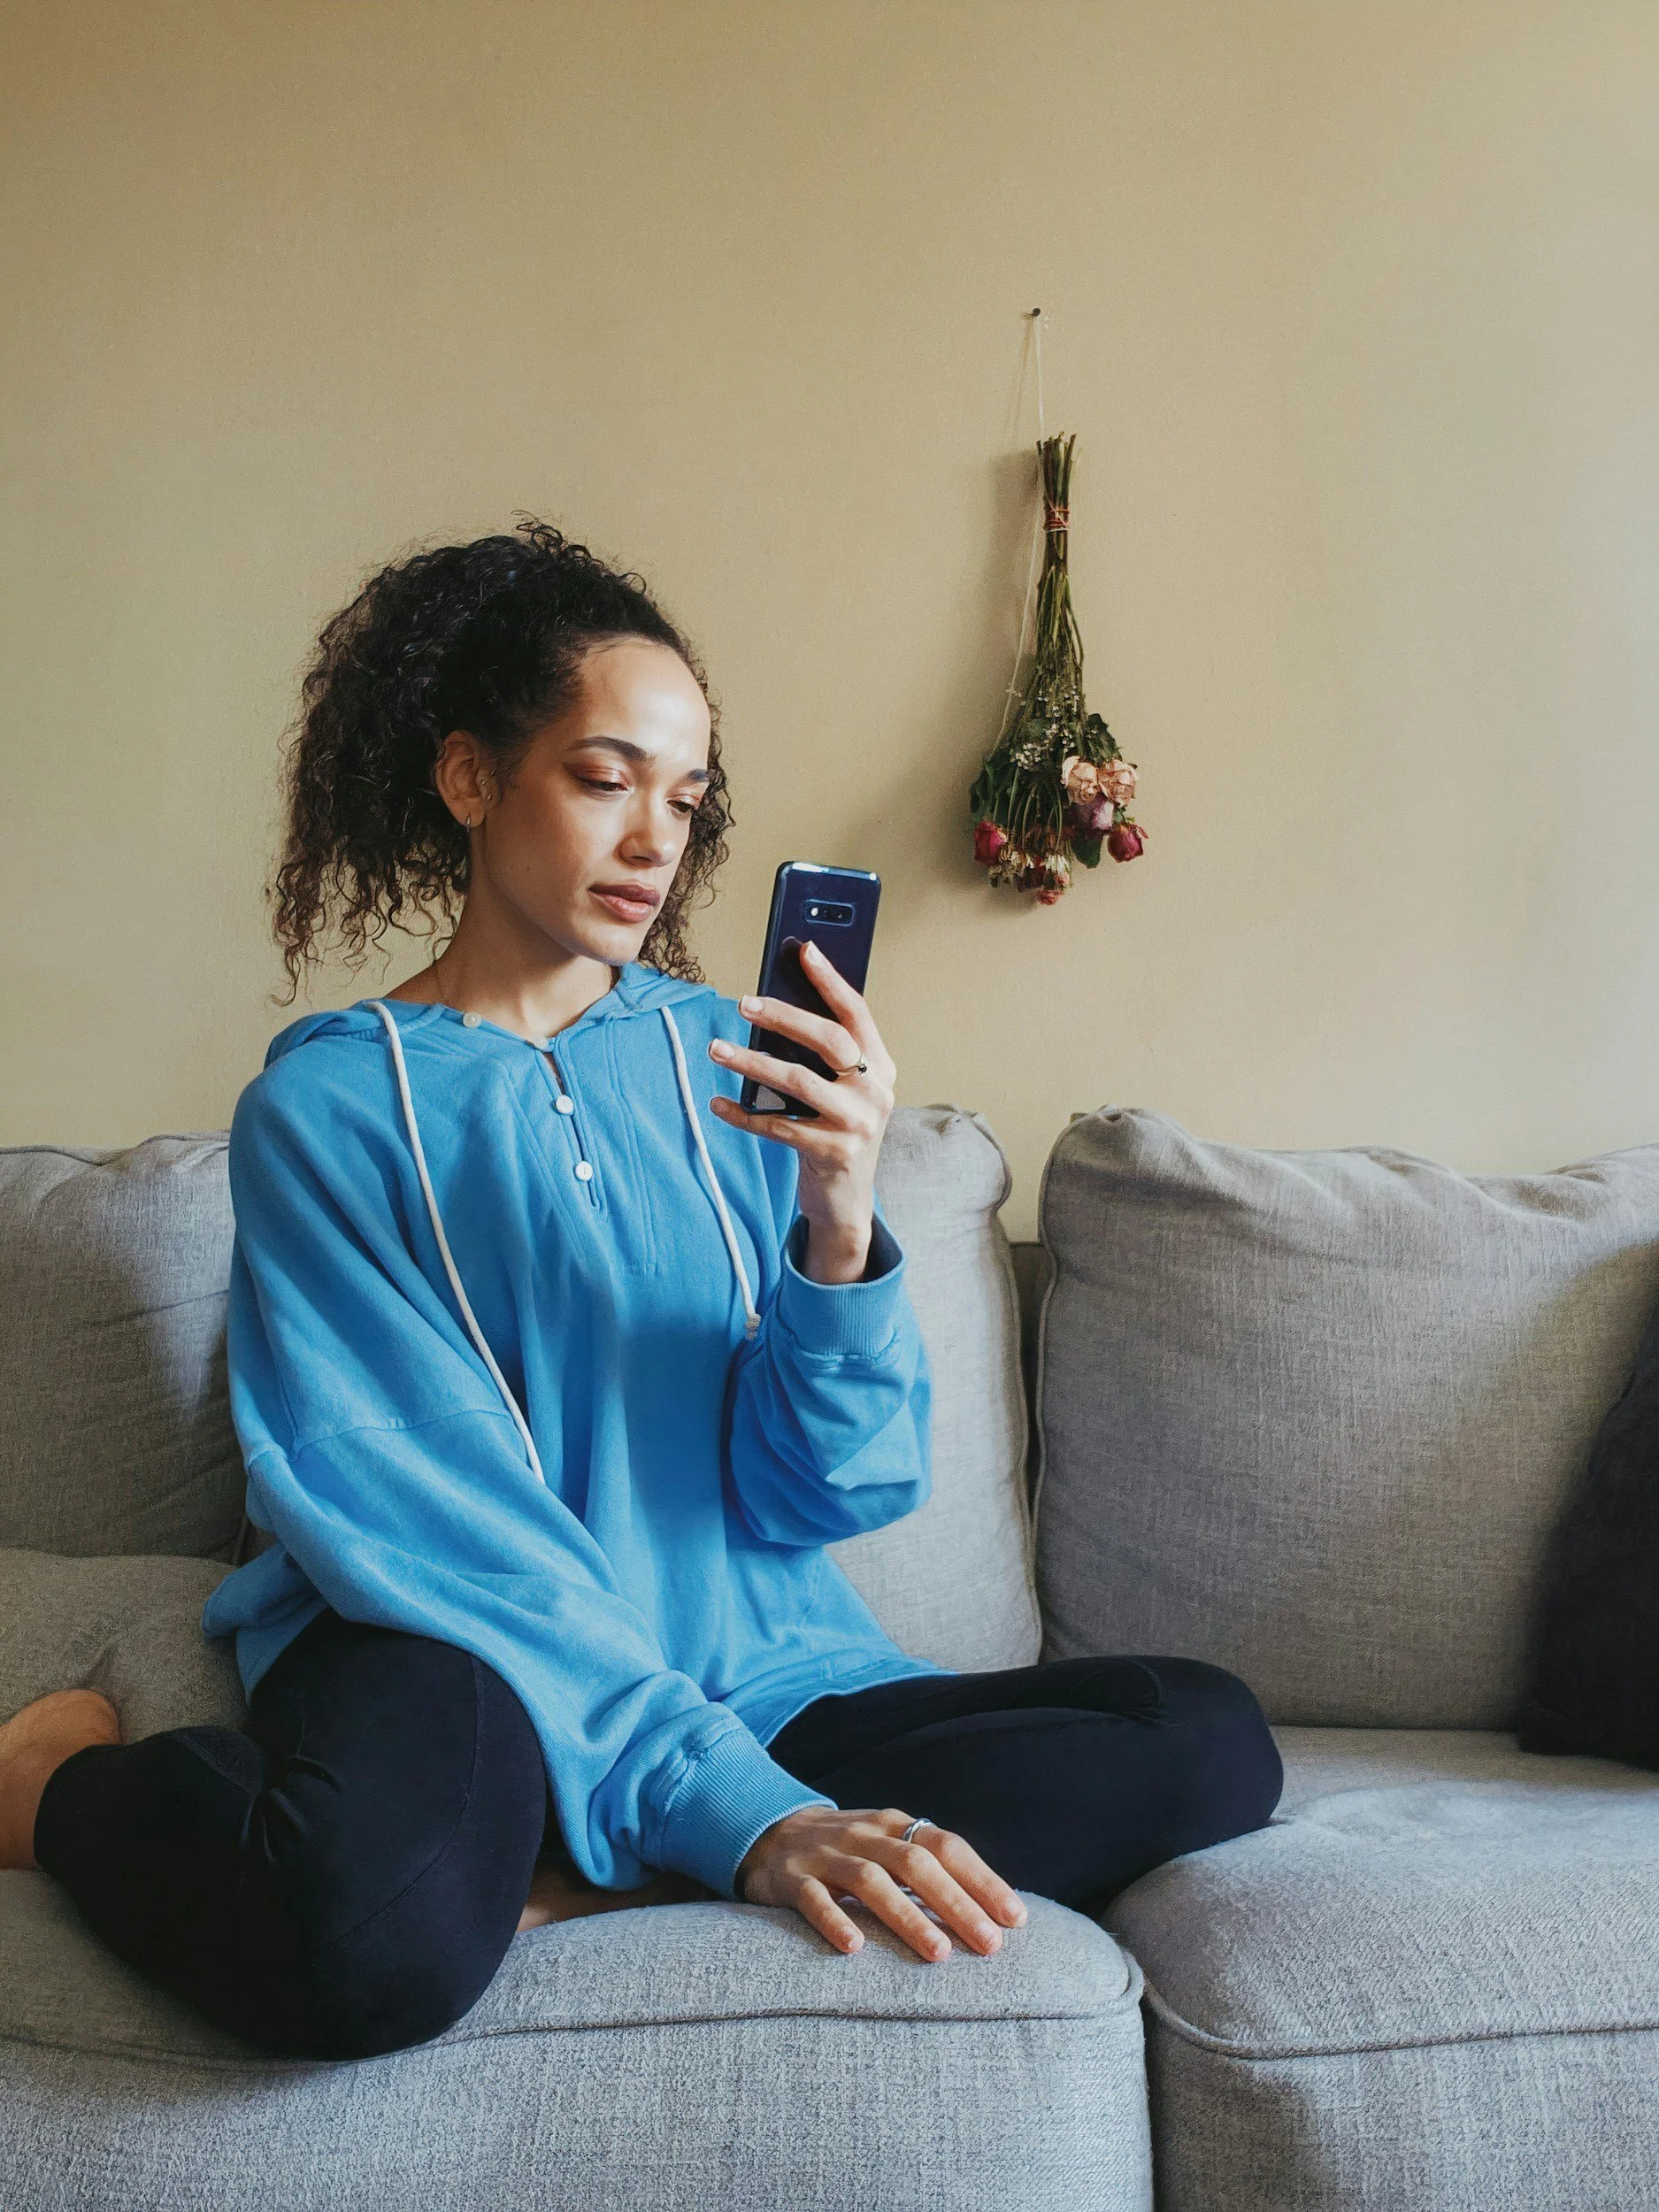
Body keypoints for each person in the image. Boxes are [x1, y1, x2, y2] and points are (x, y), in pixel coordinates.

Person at [0, 519, 1282, 2062]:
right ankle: (58, 1784)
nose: (651, 840)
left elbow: (829, 1490)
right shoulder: (325, 1114)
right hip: (453, 1648)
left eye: (683, 800)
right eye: (602, 779)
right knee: (359, 1950)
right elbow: (426, 1513)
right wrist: (737, 1818)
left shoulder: (722, 1065)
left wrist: (834, 1214)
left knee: (1202, 1739)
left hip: (751, 1662)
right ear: (470, 779)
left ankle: (574, 1883)